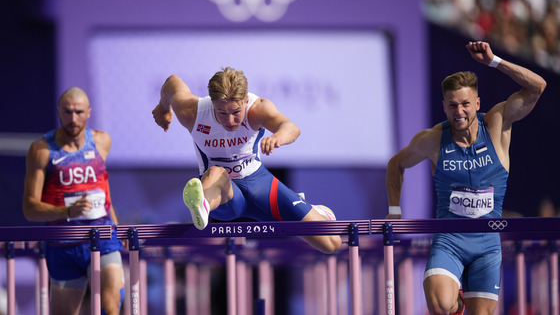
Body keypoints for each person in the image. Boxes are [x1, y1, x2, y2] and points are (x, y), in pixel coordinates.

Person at [385, 41, 546, 315]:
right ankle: (455, 301)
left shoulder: (497, 122)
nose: (459, 112)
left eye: (465, 104)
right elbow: (396, 163)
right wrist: (394, 211)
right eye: (452, 106)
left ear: (477, 103)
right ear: (444, 107)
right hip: (449, 239)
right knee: (439, 305)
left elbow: (537, 87)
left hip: (487, 244)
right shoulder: (433, 139)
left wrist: (495, 61)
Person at [152, 67, 342, 254]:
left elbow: (290, 127)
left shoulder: (258, 109)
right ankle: (202, 205)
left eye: (236, 112)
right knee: (217, 172)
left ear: (245, 101)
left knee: (331, 244)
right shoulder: (192, 111)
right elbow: (172, 82)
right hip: (224, 194)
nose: (230, 121)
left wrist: (278, 137)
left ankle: (317, 212)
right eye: (222, 113)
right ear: (212, 103)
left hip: (260, 186)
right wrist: (164, 107)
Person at [22, 87, 124, 315]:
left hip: (102, 238)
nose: (73, 119)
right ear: (58, 112)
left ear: (89, 112)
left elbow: (103, 188)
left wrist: (116, 226)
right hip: (63, 246)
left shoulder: (101, 141)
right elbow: (30, 208)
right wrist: (68, 211)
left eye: (79, 112)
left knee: (110, 307)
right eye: (67, 112)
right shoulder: (41, 150)